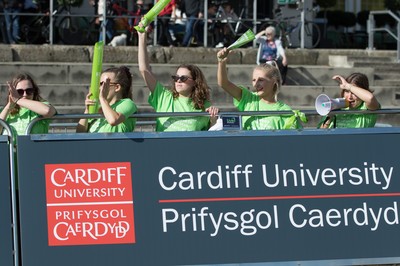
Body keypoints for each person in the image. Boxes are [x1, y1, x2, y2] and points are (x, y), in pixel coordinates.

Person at [137, 24, 219, 132]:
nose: (178, 80)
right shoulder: (164, 97)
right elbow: (144, 70)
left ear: (195, 82)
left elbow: (208, 135)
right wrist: (142, 37)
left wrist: (213, 120)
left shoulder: (205, 106)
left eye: (183, 78)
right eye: (176, 78)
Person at [217, 48, 301, 130]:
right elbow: (223, 83)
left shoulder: (285, 111)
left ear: (274, 81)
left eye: (261, 80)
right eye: (254, 80)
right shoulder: (248, 99)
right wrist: (221, 61)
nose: (256, 84)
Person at [76, 66, 137, 133]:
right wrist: (87, 111)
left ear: (117, 87)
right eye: (98, 84)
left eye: (103, 84)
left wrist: (102, 98)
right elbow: (79, 132)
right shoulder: (99, 108)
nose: (99, 88)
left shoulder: (127, 103)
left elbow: (113, 121)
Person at [0, 72, 57, 138]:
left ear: (34, 91)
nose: (25, 95)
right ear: (12, 93)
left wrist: (18, 100)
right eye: (20, 92)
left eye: (29, 91)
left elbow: (47, 111)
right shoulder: (4, 111)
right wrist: (8, 107)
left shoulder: (41, 106)